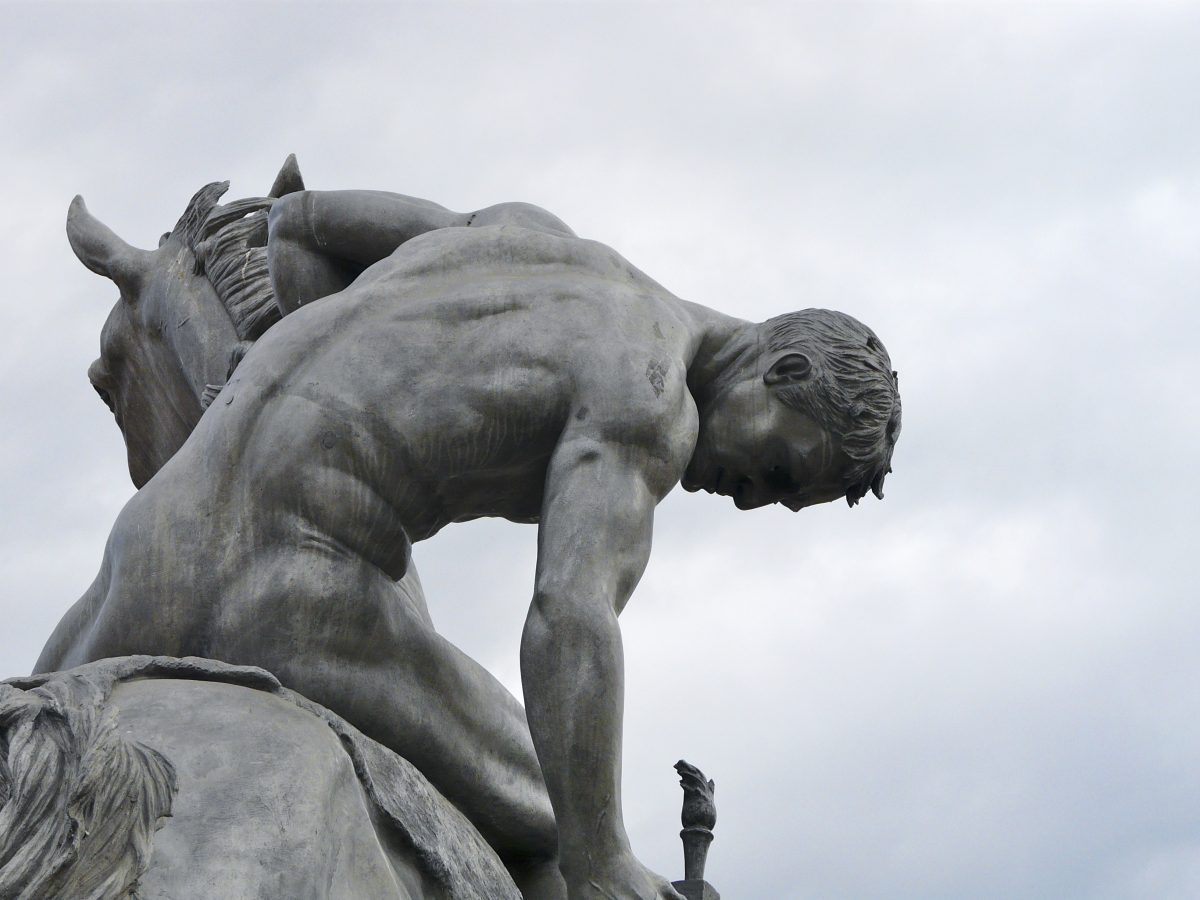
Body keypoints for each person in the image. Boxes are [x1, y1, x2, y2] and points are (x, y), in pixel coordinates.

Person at [40, 188, 901, 900]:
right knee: (550, 810)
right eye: (783, 470)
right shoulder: (651, 401)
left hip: (152, 544)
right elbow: (570, 615)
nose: (755, 499)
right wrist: (601, 866)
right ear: (779, 373)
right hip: (296, 588)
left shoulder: (533, 239)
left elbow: (296, 230)